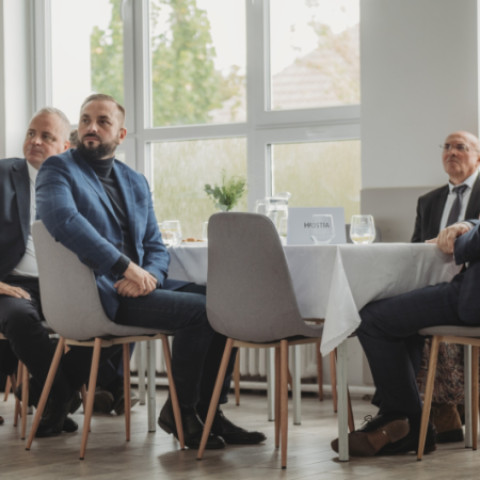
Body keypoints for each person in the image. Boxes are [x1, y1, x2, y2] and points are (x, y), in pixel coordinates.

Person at [35, 93, 266, 449]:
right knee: (201, 314)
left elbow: (155, 245)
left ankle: (208, 412)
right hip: (99, 291)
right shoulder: (58, 169)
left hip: (137, 287)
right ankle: (181, 413)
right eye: (85, 120)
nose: (91, 127)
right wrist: (125, 268)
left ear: (121, 134)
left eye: (102, 121)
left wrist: (151, 277)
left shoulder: (135, 181)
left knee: (224, 304)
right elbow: (64, 221)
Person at [0, 107, 85, 436]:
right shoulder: (4, 174)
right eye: (31, 133)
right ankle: (60, 395)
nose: (35, 141)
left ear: (65, 147)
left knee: (112, 314)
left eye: (46, 136)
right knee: (20, 319)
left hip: (63, 285)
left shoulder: (78, 184)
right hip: (11, 283)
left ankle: (42, 393)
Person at [411, 131, 480, 443]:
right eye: (447, 147)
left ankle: (444, 410)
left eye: (461, 147)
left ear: (478, 157)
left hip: (472, 289)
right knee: (400, 315)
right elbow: (415, 249)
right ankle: (423, 412)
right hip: (435, 284)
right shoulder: (428, 201)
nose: (451, 152)